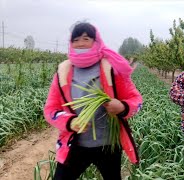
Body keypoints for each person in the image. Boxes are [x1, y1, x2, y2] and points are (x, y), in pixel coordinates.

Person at [43, 22, 143, 180]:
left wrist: (122, 107)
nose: (80, 43)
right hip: (75, 145)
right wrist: (70, 122)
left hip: (108, 145)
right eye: (75, 40)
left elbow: (136, 101)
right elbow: (50, 110)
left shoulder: (111, 69)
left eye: (86, 38)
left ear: (96, 42)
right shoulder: (63, 72)